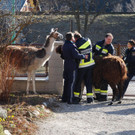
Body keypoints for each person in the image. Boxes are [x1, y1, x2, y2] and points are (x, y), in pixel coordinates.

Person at [61, 32, 88, 104]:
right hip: (72, 65)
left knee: (66, 82)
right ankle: (70, 99)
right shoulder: (72, 46)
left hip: (66, 64)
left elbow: (62, 56)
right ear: (71, 38)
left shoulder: (64, 45)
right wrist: (84, 56)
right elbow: (76, 55)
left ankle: (64, 98)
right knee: (71, 83)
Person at [73, 31, 95, 103]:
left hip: (82, 66)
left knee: (78, 82)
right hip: (91, 64)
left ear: (75, 38)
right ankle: (90, 98)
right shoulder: (88, 40)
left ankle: (76, 98)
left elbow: (76, 55)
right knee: (89, 82)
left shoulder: (76, 44)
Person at [92, 33, 115, 101]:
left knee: (104, 81)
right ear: (105, 38)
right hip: (96, 66)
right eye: (108, 39)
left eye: (111, 40)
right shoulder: (98, 43)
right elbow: (93, 51)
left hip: (105, 67)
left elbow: (111, 58)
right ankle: (97, 96)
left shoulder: (111, 48)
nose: (109, 41)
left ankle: (104, 97)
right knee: (96, 80)